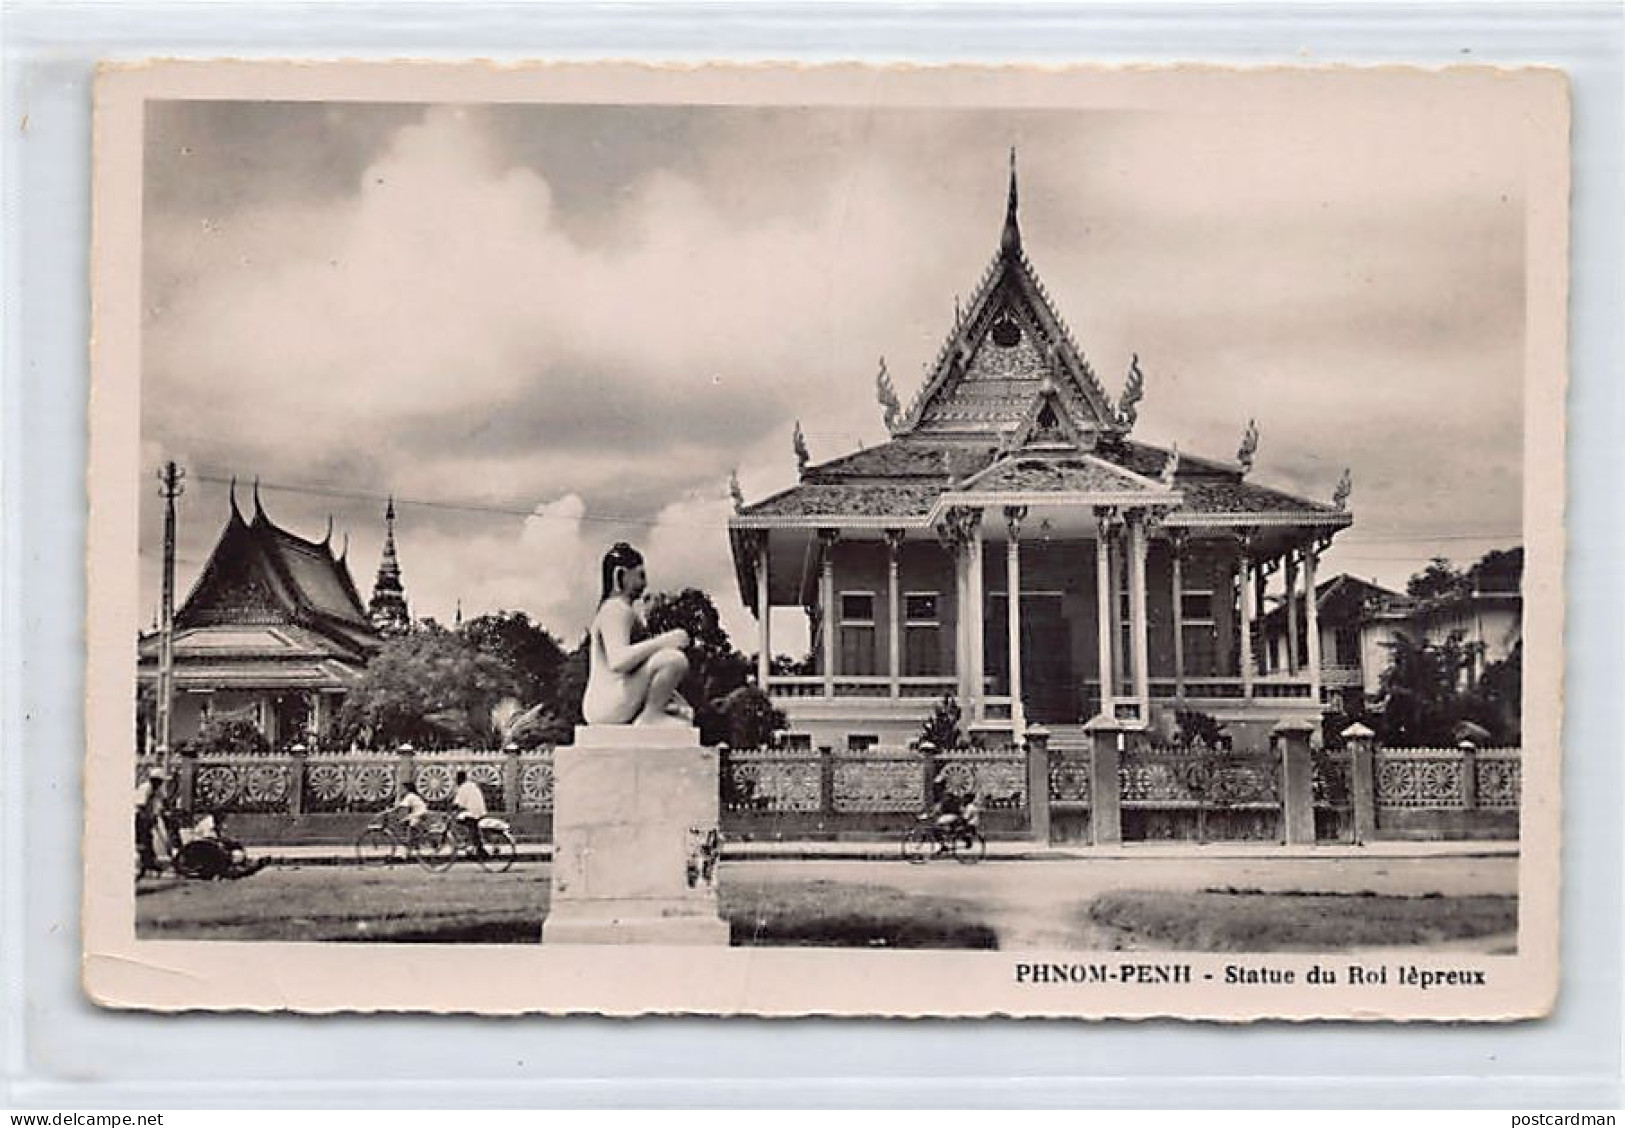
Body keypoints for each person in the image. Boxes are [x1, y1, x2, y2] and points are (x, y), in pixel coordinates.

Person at [581, 542, 693, 727]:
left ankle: (654, 712)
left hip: (608, 702)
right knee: (674, 659)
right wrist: (665, 641)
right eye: (640, 575)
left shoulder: (620, 610)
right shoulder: (616, 609)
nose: (645, 584)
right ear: (621, 575)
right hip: (608, 703)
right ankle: (651, 716)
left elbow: (640, 666)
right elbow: (619, 661)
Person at [133, 766, 168, 876]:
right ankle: (144, 862)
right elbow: (141, 806)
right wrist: (149, 819)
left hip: (148, 817)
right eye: (158, 781)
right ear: (153, 780)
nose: (160, 783)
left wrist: (162, 812)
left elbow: (163, 800)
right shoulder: (145, 788)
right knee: (143, 840)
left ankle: (149, 861)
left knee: (148, 838)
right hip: (140, 816)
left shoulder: (157, 789)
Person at [451, 769, 488, 859]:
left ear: (459, 779)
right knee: (470, 826)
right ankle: (472, 845)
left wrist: (451, 807)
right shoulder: (471, 785)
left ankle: (471, 845)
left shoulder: (463, 787)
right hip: (480, 810)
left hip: (472, 812)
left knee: (459, 821)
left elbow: (459, 803)